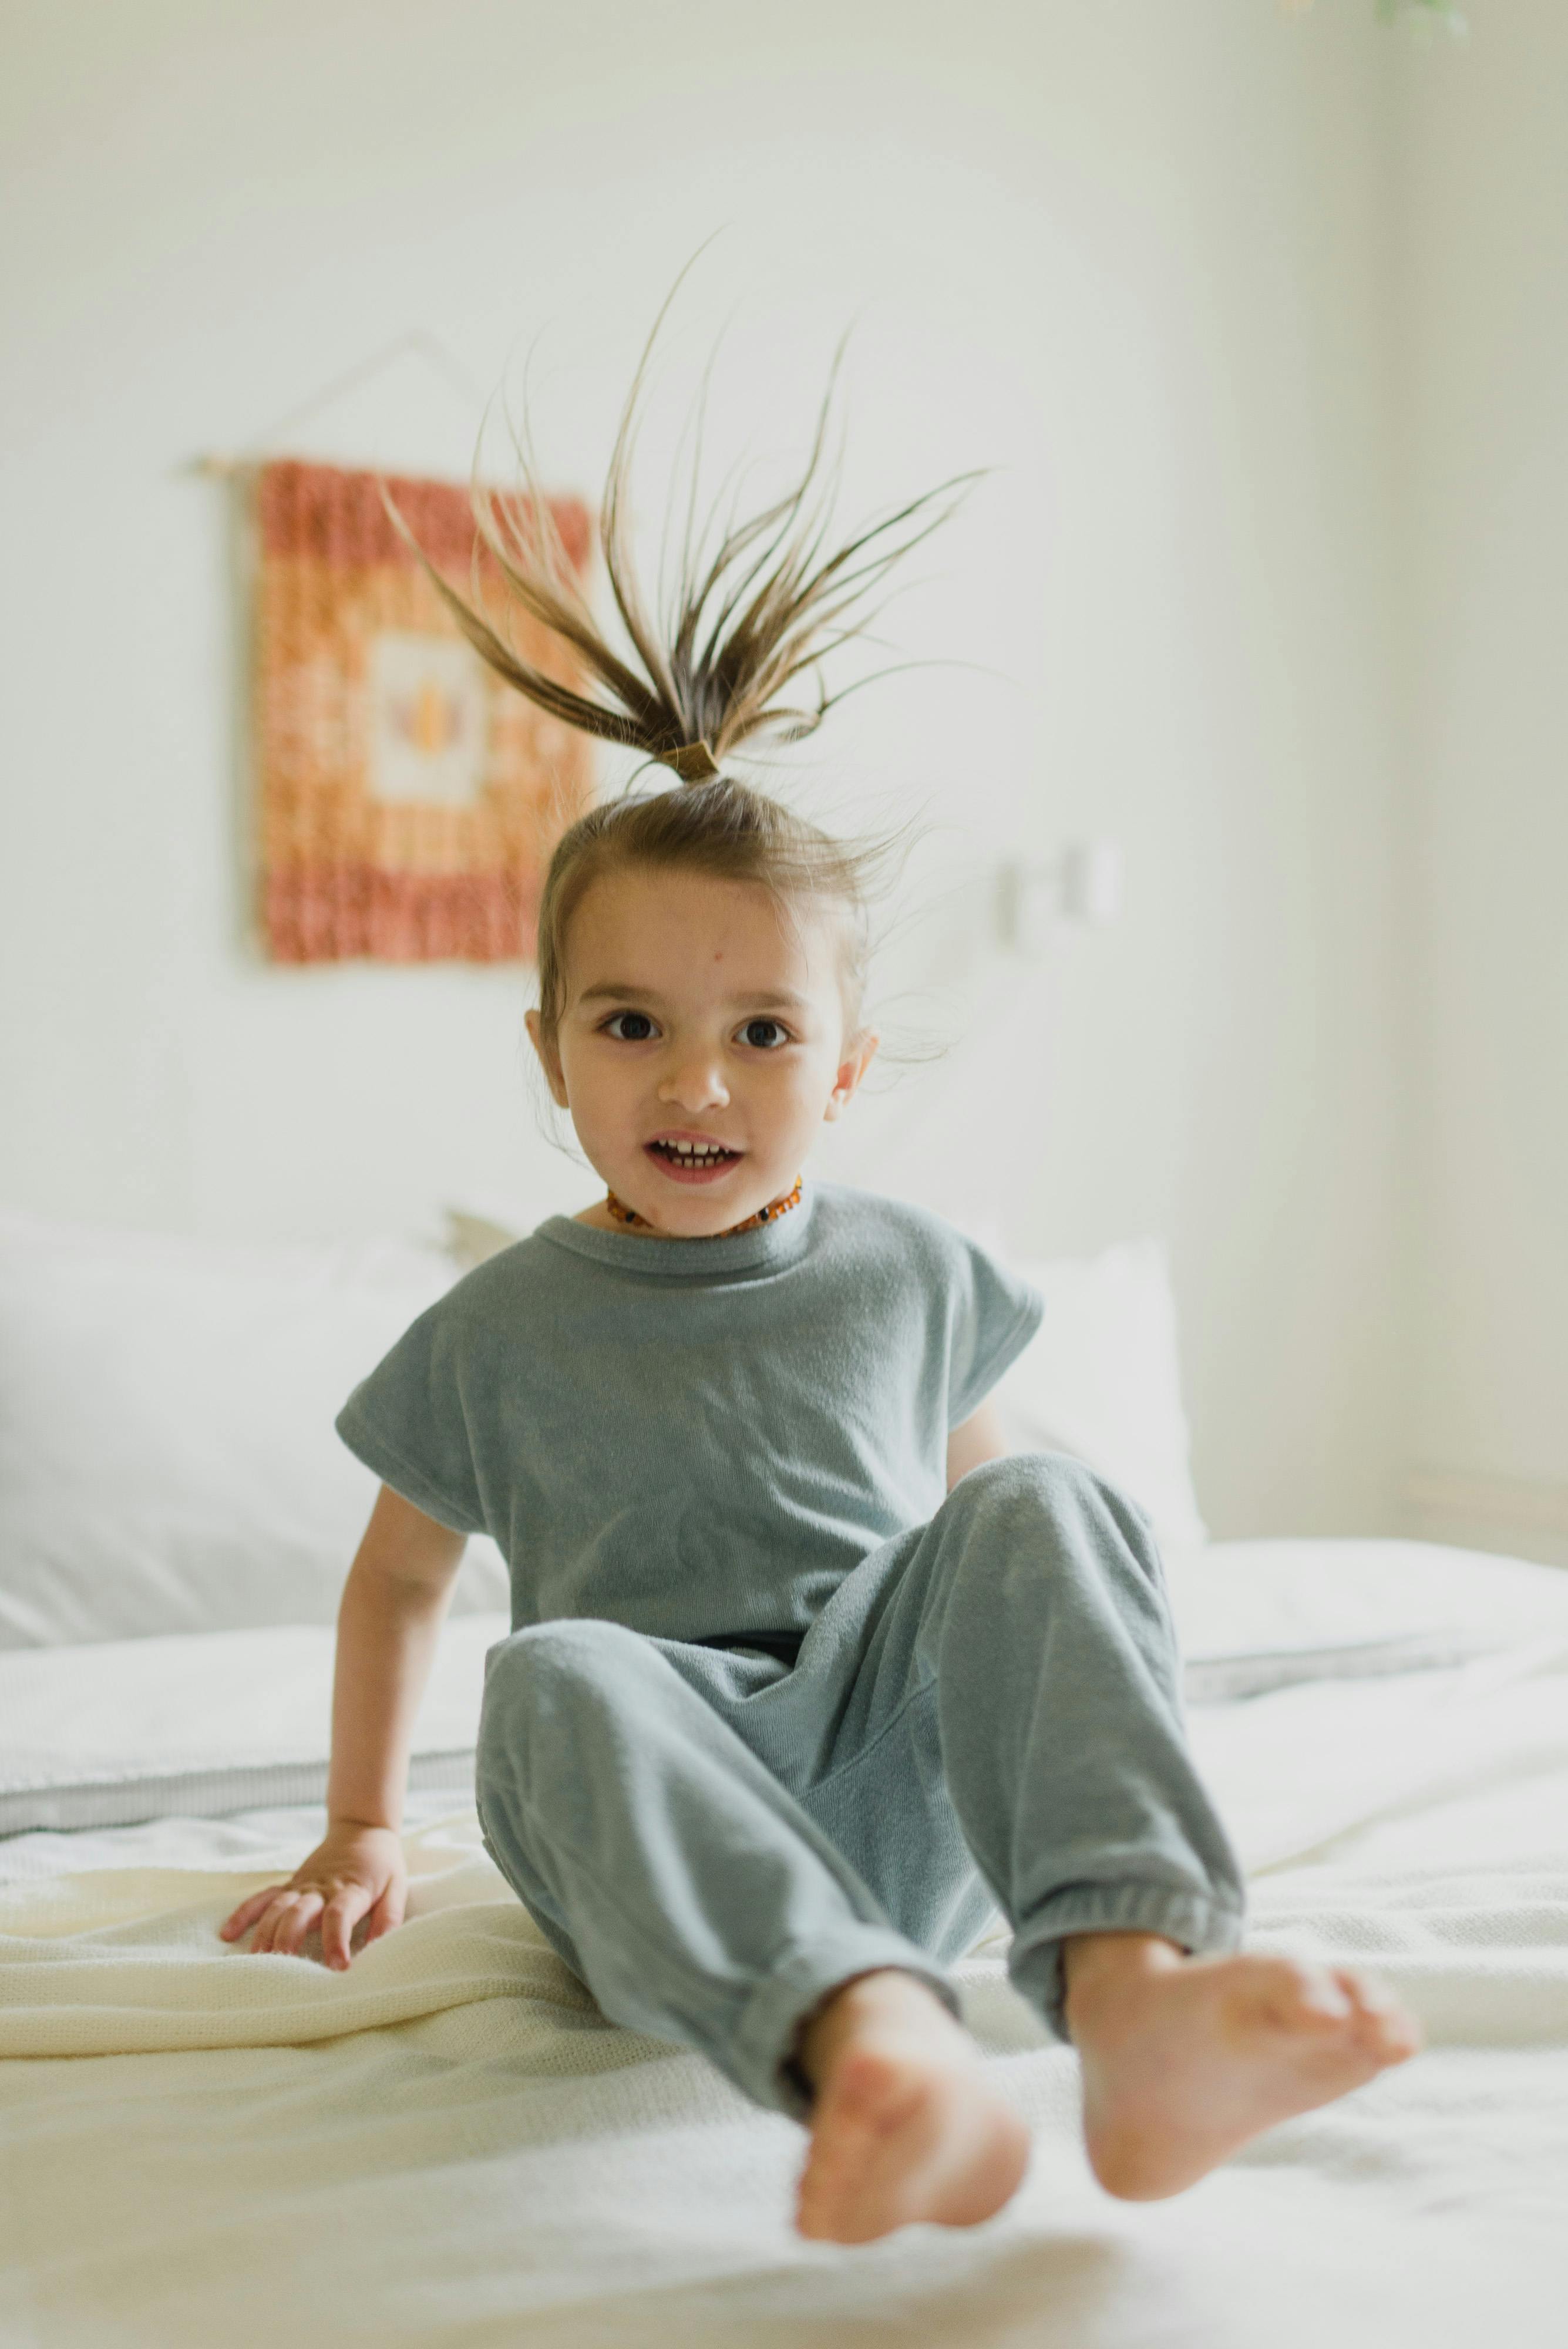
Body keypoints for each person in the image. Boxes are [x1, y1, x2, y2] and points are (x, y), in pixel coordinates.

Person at [221, 311, 1421, 2244]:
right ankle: (873, 2053)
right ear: (549, 1054)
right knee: (563, 1671)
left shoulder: (921, 1272)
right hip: (664, 1837)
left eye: (764, 1034)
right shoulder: (495, 1334)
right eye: (631, 1025)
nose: (698, 1082)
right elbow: (400, 1580)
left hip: (900, 1799)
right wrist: (367, 1830)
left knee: (1043, 1499)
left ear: (845, 1070)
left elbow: (994, 1569)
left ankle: (1131, 1998)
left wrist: (1011, 1684)